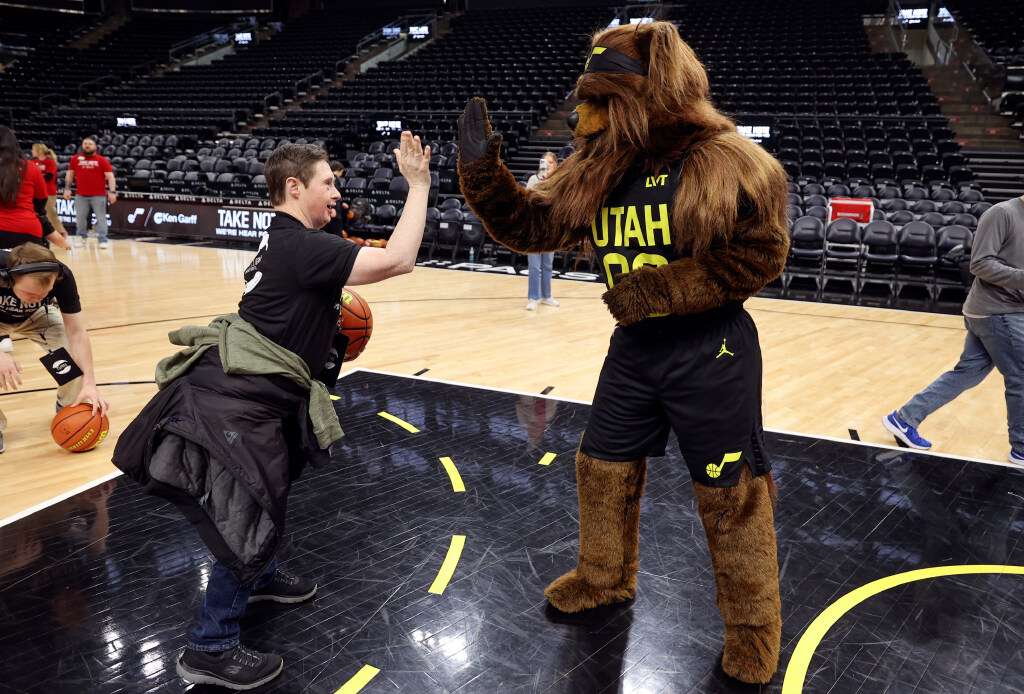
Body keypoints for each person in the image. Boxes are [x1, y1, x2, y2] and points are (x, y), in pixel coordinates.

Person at [113, 133, 431, 690]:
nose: (337, 191)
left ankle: (257, 577)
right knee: (247, 516)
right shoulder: (300, 246)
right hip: (236, 404)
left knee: (276, 490)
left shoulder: (284, 241)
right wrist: (420, 185)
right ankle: (208, 647)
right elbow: (399, 260)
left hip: (260, 394)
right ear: (294, 186)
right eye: (328, 182)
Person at [884, 195, 1024, 465]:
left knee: (967, 372)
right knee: (1020, 376)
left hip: (999, 310)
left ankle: (903, 419)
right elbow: (980, 264)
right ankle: (1021, 448)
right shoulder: (1002, 213)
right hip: (996, 311)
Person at [0, 243, 109, 453]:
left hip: (37, 317)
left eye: (44, 293)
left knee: (71, 359)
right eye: (30, 294)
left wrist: (90, 382)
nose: (37, 298)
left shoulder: (62, 276)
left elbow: (76, 332)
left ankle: (68, 407)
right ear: (9, 278)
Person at [0, 127, 70, 250]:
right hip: (27, 229)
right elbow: (39, 207)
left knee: (51, 213)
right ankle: (60, 237)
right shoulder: (30, 166)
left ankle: (61, 235)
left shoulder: (46, 162)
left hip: (49, 193)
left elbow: (49, 177)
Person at [63, 137, 116, 249]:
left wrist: (112, 191)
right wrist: (67, 189)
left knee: (101, 218)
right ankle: (81, 238)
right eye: (85, 143)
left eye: (90, 144)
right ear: (82, 145)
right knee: (80, 218)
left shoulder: (101, 160)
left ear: (95, 146)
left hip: (98, 195)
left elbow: (110, 177)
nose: (87, 145)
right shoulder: (75, 159)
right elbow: (70, 174)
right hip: (81, 194)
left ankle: (103, 239)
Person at [524, 152, 559, 310]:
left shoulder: (557, 181)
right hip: (534, 228)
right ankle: (533, 297)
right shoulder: (533, 179)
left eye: (551, 162)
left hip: (550, 229)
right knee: (534, 265)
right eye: (545, 161)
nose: (547, 164)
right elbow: (526, 200)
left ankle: (547, 295)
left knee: (547, 265)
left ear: (555, 165)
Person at [31, 143, 67, 240]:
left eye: (33, 150)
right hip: (35, 191)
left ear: (39, 150)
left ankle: (61, 232)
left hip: (48, 191)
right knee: (39, 214)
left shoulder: (50, 162)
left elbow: (48, 176)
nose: (32, 151)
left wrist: (35, 177)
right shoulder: (33, 161)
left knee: (51, 213)